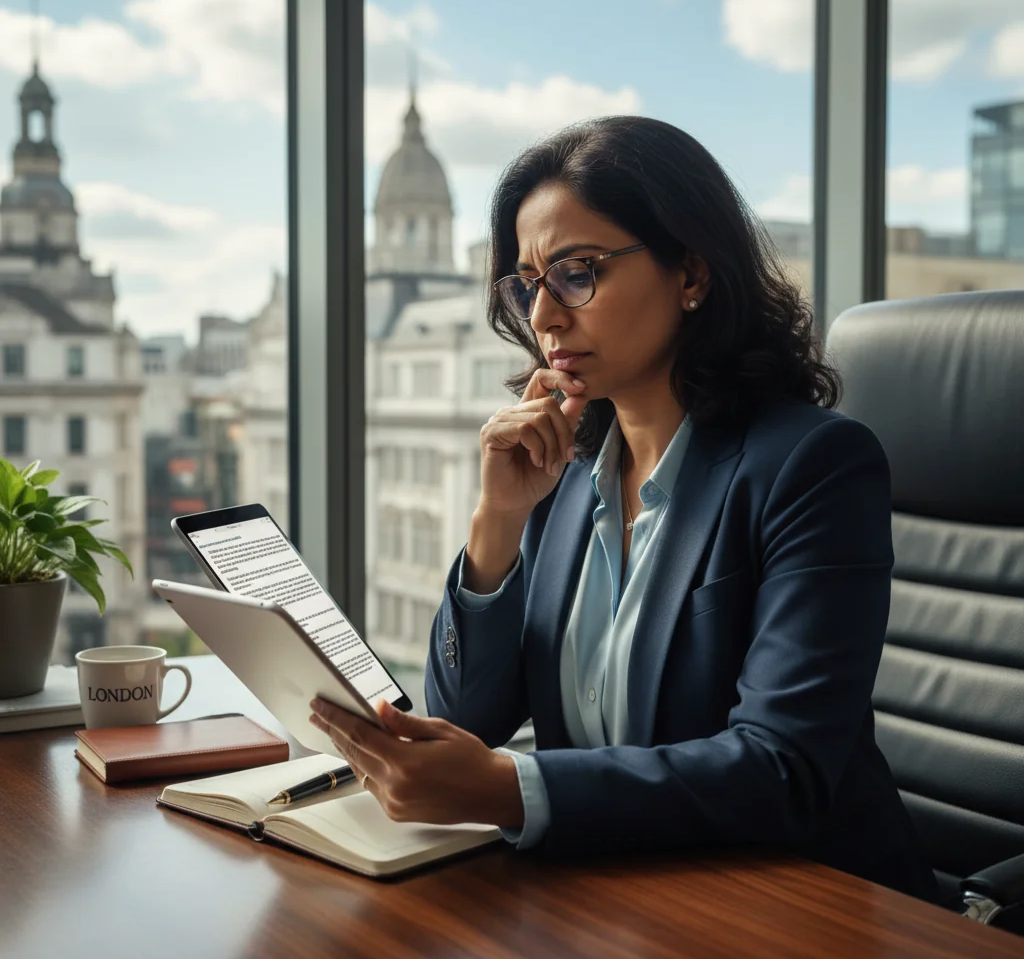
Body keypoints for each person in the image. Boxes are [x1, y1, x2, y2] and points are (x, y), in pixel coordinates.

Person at [310, 115, 938, 902]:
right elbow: (467, 718)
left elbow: (783, 771)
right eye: (527, 285)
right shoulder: (562, 469)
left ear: (691, 272)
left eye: (578, 272)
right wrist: (495, 524)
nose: (543, 319)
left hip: (803, 910)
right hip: (616, 898)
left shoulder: (811, 466)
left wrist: (510, 790)